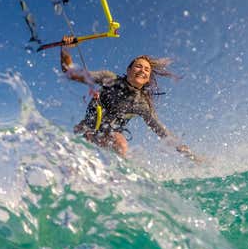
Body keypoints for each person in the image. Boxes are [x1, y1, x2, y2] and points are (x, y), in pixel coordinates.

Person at [60, 36, 202, 163]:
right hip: (87, 128)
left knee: (121, 144)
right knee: (76, 151)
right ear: (128, 70)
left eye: (147, 70)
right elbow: (70, 73)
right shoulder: (109, 78)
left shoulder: (141, 104)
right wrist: (65, 49)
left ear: (148, 80)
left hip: (110, 134)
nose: (142, 71)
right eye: (138, 66)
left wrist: (189, 154)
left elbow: (163, 132)